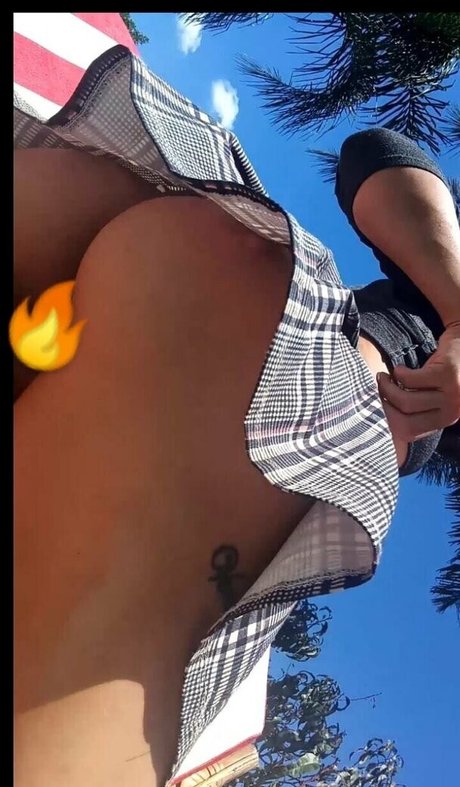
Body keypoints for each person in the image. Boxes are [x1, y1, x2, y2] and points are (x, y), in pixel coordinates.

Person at [13, 45, 460, 787]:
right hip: (215, 326)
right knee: (132, 207)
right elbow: (377, 158)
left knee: (219, 274)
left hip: (275, 379)